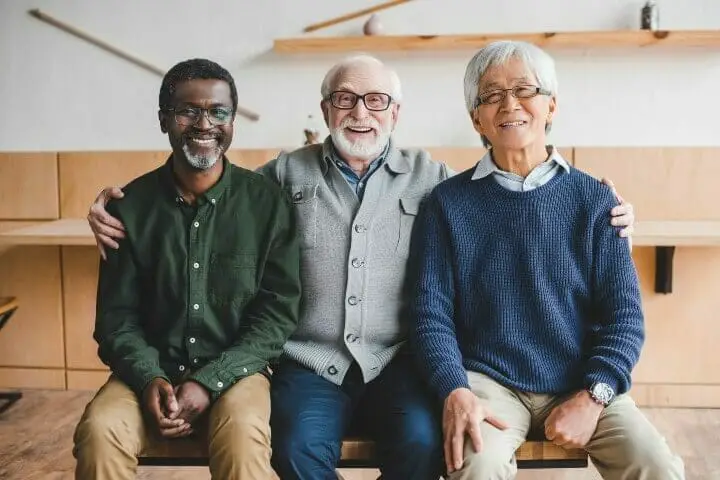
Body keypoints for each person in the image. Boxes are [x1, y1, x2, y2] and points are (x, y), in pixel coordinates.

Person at [86, 54, 636, 479]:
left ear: (395, 114)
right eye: (344, 99)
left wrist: (604, 208)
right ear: (325, 111)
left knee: (423, 447)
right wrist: (113, 207)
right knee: (298, 449)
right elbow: (217, 189)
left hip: (397, 361)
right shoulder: (280, 177)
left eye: (376, 101)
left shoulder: (437, 181)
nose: (359, 113)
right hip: (310, 360)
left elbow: (504, 201)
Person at [409, 40, 684, 480]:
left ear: (551, 107)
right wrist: (454, 388)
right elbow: (429, 315)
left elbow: (625, 316)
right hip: (487, 381)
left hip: (582, 379)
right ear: (475, 117)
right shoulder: (446, 204)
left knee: (656, 465)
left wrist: (595, 395)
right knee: (475, 465)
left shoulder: (596, 201)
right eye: (491, 95)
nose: (509, 104)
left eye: (524, 90)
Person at [72, 58, 301, 480]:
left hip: (238, 372)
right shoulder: (129, 207)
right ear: (164, 120)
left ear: (233, 120)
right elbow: (116, 320)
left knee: (244, 434)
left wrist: (211, 380)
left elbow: (276, 316)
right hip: (147, 372)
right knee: (100, 431)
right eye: (187, 111)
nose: (204, 124)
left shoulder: (268, 204)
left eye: (219, 112)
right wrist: (148, 378)